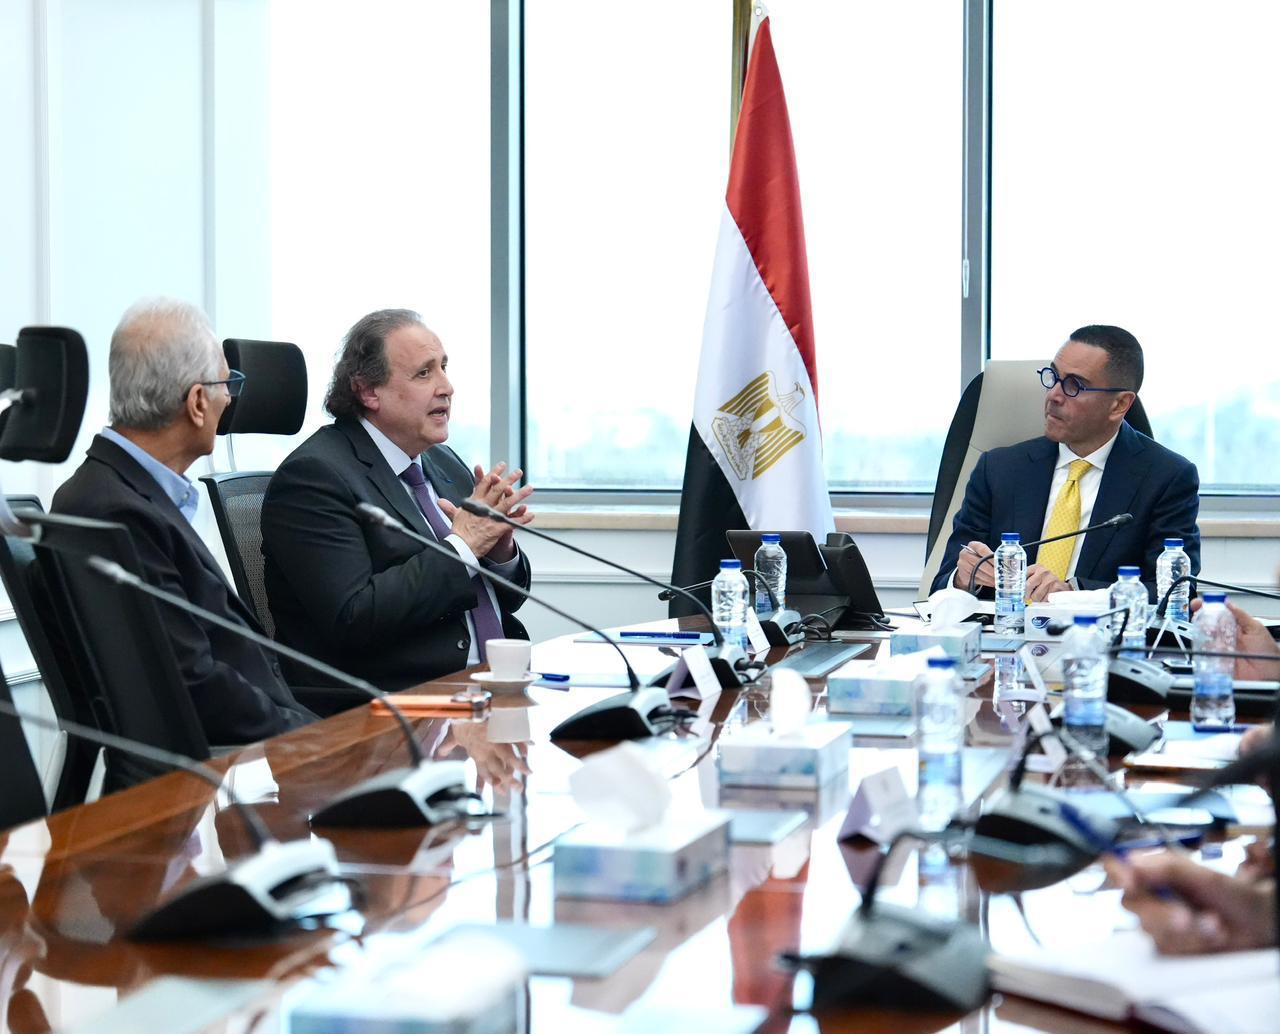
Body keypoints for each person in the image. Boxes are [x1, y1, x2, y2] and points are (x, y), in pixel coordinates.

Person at [52, 298, 315, 743]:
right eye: (227, 382)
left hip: (261, 738)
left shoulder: (118, 490)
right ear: (197, 402)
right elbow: (193, 683)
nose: (229, 397)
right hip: (235, 759)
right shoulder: (114, 510)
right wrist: (315, 738)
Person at [261, 309, 534, 695]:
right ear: (368, 391)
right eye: (424, 373)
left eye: (443, 367)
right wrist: (464, 547)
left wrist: (497, 552)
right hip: (392, 703)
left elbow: (508, 599)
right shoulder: (313, 477)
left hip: (491, 685)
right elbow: (353, 617)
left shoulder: (442, 462)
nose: (447, 387)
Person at [933, 325, 1201, 601]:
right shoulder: (998, 469)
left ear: (1119, 404)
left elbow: (1173, 592)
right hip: (1003, 627)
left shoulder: (1167, 478)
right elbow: (941, 584)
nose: (1054, 395)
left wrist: (1073, 593)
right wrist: (963, 578)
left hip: (1096, 628)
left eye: (1074, 385)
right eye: (1053, 377)